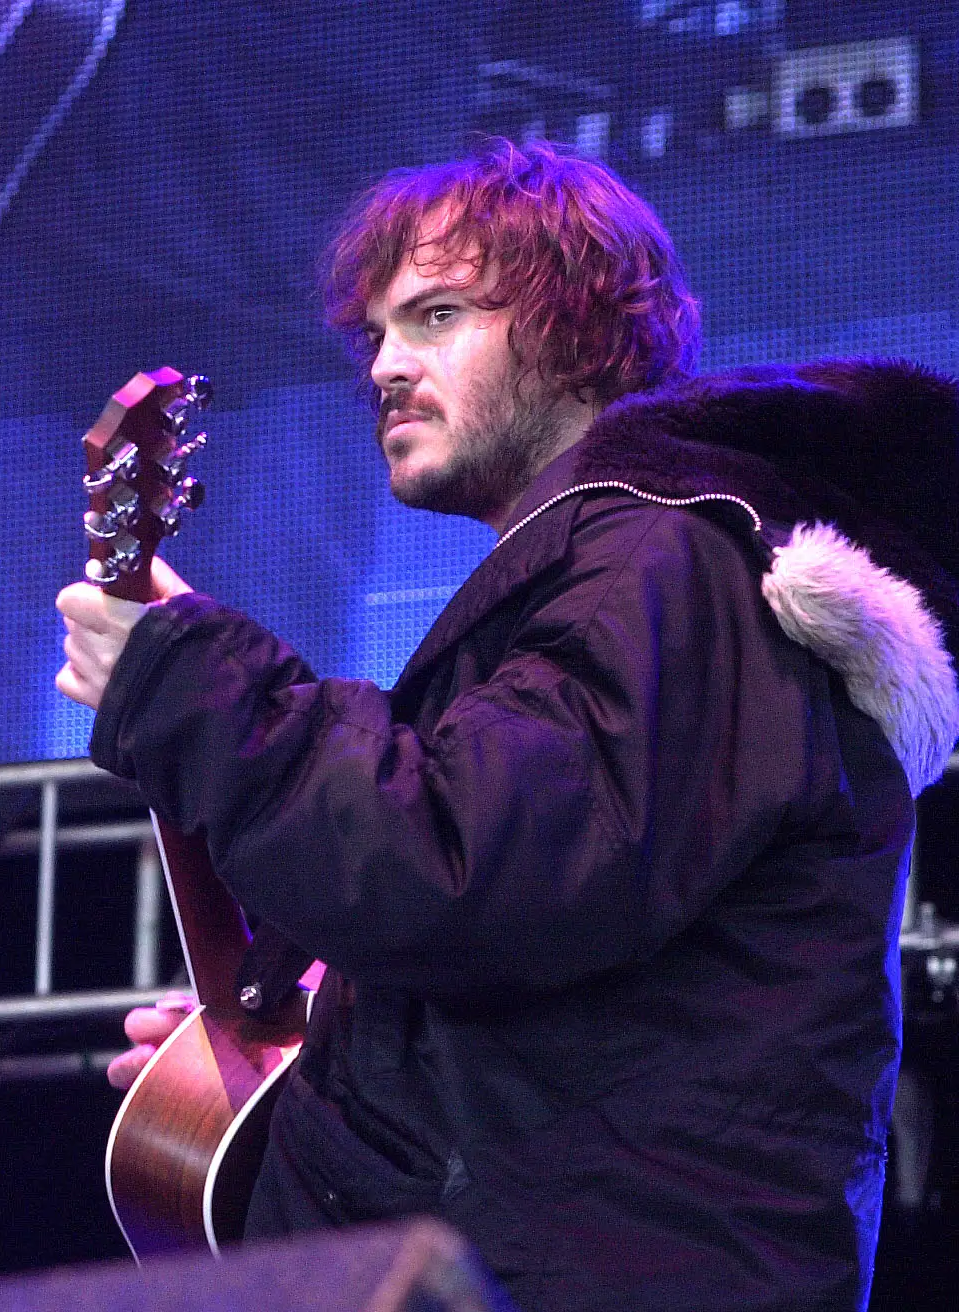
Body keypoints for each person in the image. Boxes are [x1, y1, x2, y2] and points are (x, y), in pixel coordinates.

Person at [58, 138, 959, 1311]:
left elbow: (462, 864)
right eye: (374, 335)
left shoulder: (659, 561)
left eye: (434, 317)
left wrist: (188, 684)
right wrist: (322, 1042)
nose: (383, 365)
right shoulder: (609, 567)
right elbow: (548, 972)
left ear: (578, 329)